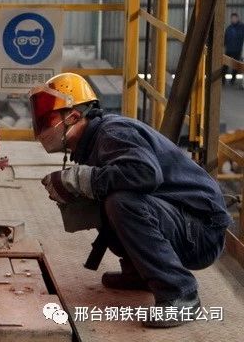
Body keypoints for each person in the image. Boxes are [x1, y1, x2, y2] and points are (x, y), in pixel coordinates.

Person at [30, 73, 232, 328]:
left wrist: (85, 179)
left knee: (122, 202)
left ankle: (181, 292)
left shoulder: (113, 132)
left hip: (202, 233)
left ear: (73, 116)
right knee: (105, 195)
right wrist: (80, 187)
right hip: (185, 222)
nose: (43, 127)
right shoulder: (92, 143)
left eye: (49, 119)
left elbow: (146, 174)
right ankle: (140, 273)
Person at [224, 12, 244, 84]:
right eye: (232, 18)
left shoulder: (242, 27)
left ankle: (232, 80)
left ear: (237, 18)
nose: (233, 19)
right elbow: (225, 38)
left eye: (235, 18)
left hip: (237, 50)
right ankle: (222, 80)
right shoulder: (229, 28)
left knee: (235, 66)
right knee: (225, 65)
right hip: (229, 49)